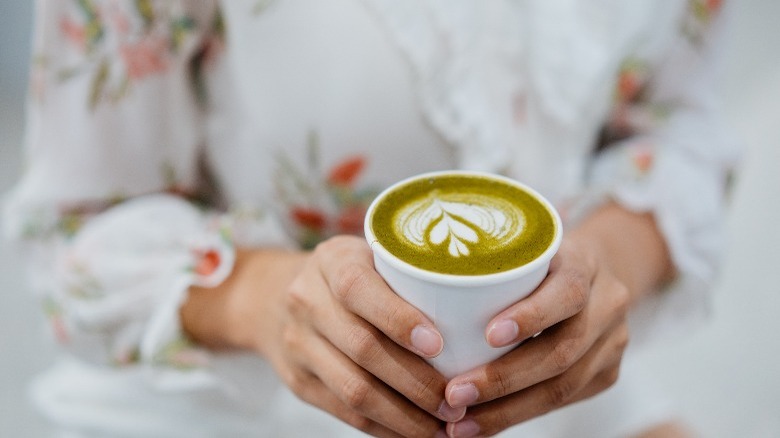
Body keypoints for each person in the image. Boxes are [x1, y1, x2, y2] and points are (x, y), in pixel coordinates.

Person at [2, 0, 739, 437]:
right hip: (239, 397)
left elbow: (677, 125)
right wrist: (266, 303)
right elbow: (73, 229)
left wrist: (613, 264)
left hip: (553, 396)